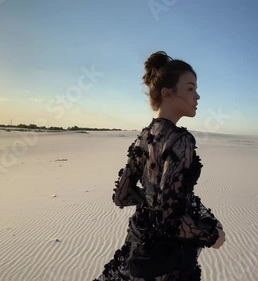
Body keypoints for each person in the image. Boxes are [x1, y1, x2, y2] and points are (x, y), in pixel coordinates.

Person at [93, 51, 226, 281]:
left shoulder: (143, 138)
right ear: (167, 93)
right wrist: (213, 235)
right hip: (166, 264)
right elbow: (168, 221)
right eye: (191, 88)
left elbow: (121, 197)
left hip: (137, 252)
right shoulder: (180, 141)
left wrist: (150, 200)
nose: (198, 96)